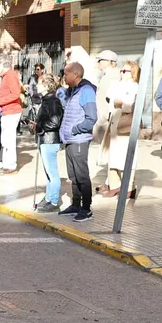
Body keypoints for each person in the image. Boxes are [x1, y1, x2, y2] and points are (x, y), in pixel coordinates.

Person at [58, 62, 98, 221]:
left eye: (66, 74)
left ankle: (86, 208)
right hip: (69, 139)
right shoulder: (72, 91)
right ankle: (75, 205)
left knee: (82, 175)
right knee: (73, 175)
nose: (64, 77)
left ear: (75, 74)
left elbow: (91, 118)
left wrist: (75, 130)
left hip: (79, 139)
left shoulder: (86, 91)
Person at [99, 62, 140, 199]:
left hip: (126, 126)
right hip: (114, 123)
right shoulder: (116, 84)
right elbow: (109, 99)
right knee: (113, 156)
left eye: (125, 71)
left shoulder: (135, 87)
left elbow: (134, 106)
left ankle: (129, 187)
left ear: (132, 72)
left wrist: (121, 103)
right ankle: (114, 185)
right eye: (121, 70)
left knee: (127, 156)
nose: (122, 73)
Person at [32, 73, 64, 212]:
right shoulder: (46, 100)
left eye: (39, 83)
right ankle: (49, 197)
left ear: (45, 86)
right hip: (45, 139)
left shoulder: (53, 101)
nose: (37, 86)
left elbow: (55, 121)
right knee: (48, 172)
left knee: (52, 172)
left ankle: (54, 200)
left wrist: (40, 126)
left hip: (50, 140)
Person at [92, 50, 121, 172]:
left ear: (110, 62)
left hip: (110, 119)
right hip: (105, 119)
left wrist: (104, 118)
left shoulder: (114, 75)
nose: (98, 63)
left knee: (113, 153)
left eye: (101, 60)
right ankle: (110, 181)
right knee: (109, 153)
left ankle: (114, 182)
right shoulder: (106, 76)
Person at [0, 56, 23, 173]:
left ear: (2, 64)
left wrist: (0, 101)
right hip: (6, 111)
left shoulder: (10, 75)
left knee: (9, 139)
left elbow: (16, 93)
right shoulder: (3, 76)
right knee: (5, 139)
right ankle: (6, 162)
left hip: (11, 111)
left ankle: (11, 165)